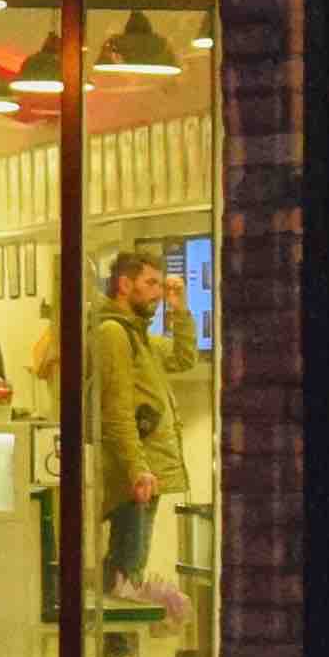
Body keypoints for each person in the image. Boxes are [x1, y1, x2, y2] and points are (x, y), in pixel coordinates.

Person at [78, 246, 199, 597]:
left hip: (147, 470)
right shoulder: (114, 333)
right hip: (137, 473)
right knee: (125, 574)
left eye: (161, 285)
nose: (158, 293)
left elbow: (182, 358)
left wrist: (181, 312)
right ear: (125, 285)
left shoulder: (137, 336)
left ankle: (119, 649)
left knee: (129, 567)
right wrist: (136, 469)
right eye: (151, 283)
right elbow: (116, 410)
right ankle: (117, 650)